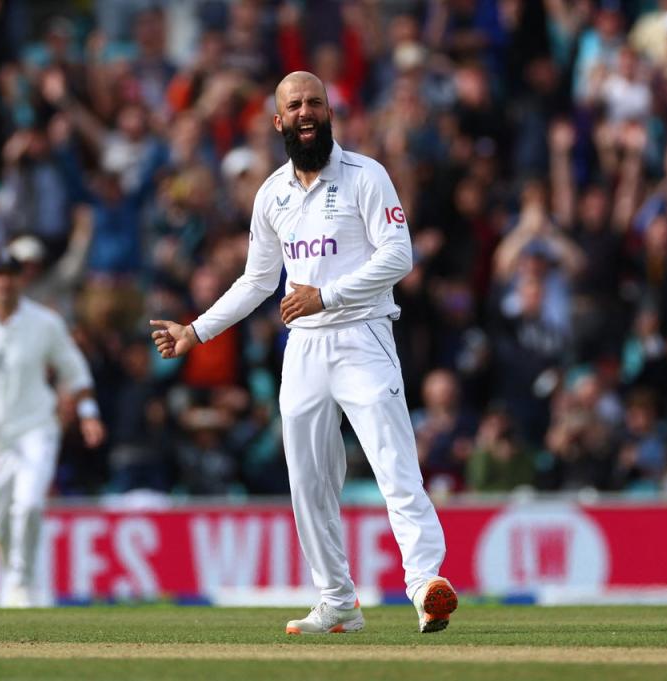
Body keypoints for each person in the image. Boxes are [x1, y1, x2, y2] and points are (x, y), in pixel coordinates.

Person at [150, 71, 455, 634]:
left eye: (315, 102)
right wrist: (196, 331)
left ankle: (424, 584)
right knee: (308, 480)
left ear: (330, 112)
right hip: (305, 348)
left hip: (363, 333)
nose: (306, 112)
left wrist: (326, 294)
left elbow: (399, 257)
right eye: (295, 106)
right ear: (278, 120)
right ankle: (337, 601)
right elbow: (255, 281)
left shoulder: (367, 176)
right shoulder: (272, 194)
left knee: (394, 465)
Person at [0, 252, 105, 607]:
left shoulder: (45, 322)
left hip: (36, 428)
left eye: (10, 274)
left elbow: (75, 372)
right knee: (0, 519)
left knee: (28, 506)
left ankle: (20, 582)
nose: (4, 282)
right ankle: (11, 579)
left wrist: (88, 414)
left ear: (20, 279)